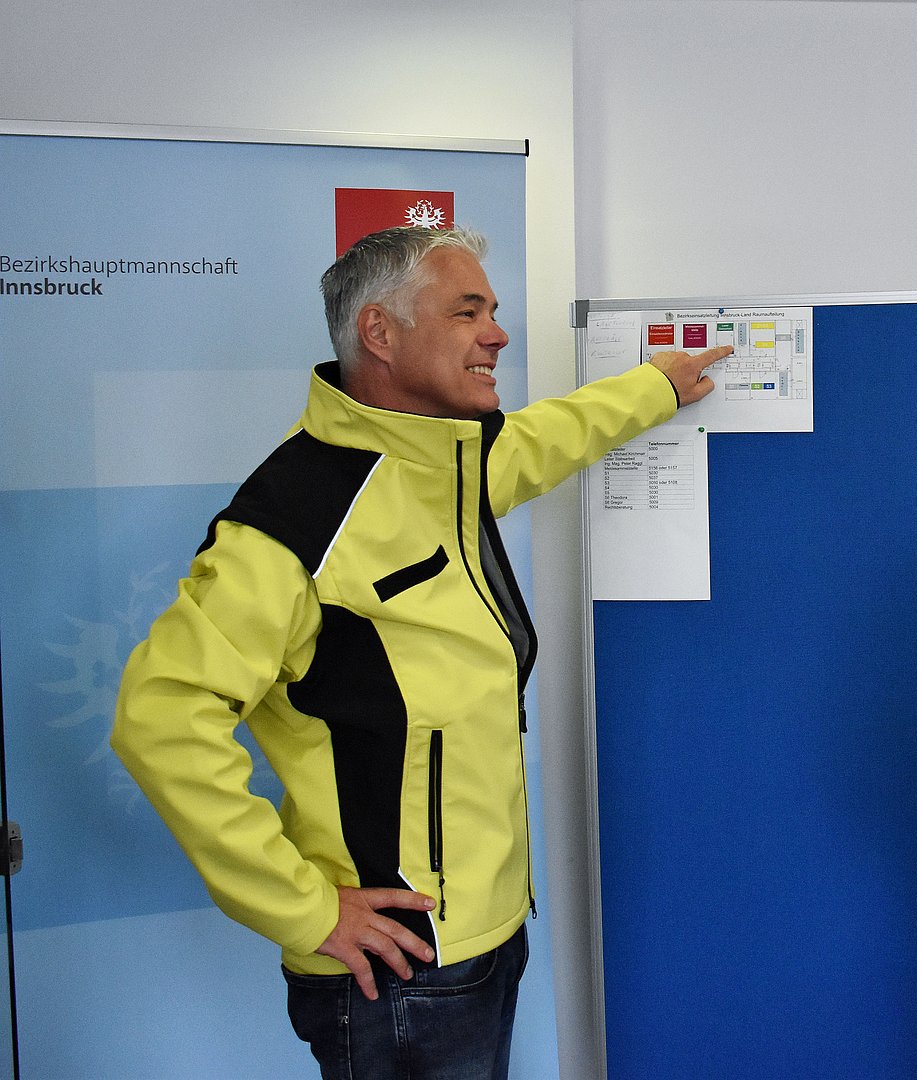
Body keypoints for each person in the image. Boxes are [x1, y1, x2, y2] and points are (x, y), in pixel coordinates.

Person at [111, 225, 729, 1079]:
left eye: (493, 311)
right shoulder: (297, 516)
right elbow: (161, 717)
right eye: (467, 311)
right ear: (379, 331)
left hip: (485, 936)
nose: (497, 334)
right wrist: (305, 910)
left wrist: (653, 387)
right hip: (398, 972)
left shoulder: (444, 467)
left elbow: (546, 439)